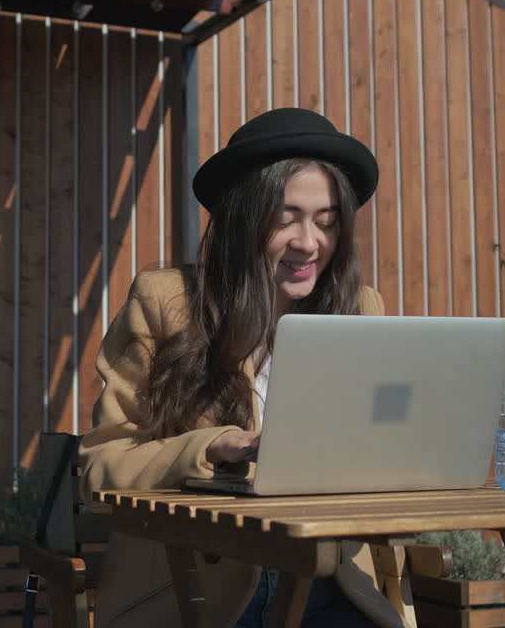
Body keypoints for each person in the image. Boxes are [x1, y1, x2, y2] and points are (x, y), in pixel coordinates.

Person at [78, 108, 412, 628]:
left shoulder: (362, 310)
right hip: (196, 594)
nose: (309, 242)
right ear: (242, 218)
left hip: (332, 586)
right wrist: (209, 448)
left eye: (327, 222)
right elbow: (101, 468)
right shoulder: (166, 302)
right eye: (285, 218)